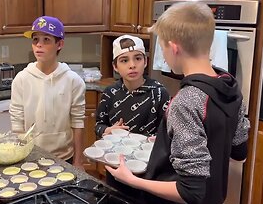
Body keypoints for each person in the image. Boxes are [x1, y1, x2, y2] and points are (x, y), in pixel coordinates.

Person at [106, 2, 250, 204]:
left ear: (174, 48)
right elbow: (238, 151)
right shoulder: (230, 86)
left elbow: (190, 191)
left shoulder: (185, 101)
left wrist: (132, 180)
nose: (163, 56)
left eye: (162, 48)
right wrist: (170, 143)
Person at [94, 34, 170, 194]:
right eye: (124, 60)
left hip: (147, 170)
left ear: (146, 61)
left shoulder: (159, 93)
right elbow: (98, 126)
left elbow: (167, 132)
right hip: (116, 164)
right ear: (115, 66)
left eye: (137, 58)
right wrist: (107, 131)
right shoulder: (110, 93)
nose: (132, 65)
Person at [10, 16, 86, 169]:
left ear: (60, 44)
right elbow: (17, 124)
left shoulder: (73, 81)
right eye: (35, 39)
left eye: (46, 40)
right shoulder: (21, 79)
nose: (39, 44)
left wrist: (78, 161)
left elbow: (78, 123)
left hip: (65, 158)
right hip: (31, 158)